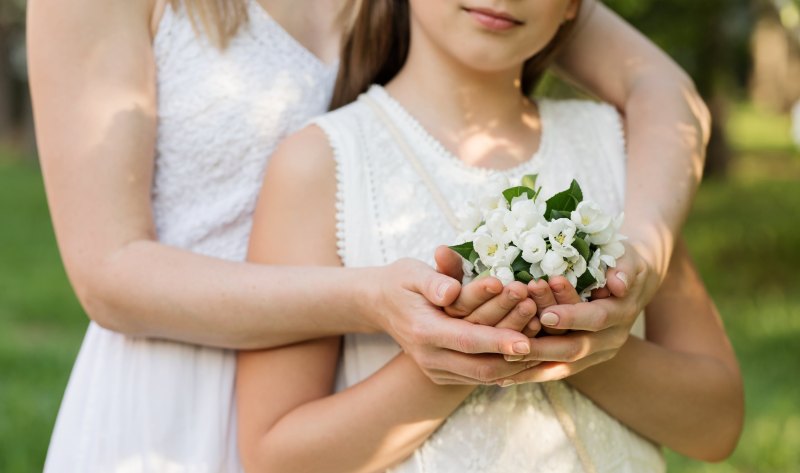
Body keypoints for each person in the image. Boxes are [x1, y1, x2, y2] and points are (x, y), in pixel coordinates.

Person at [28, 0, 711, 470]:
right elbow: (108, 271)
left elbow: (664, 90)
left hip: (357, 384)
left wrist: (638, 263)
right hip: (176, 393)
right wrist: (375, 301)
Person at [235, 0, 743, 471]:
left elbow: (717, 425)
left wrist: (579, 338)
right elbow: (273, 457)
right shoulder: (321, 165)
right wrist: (461, 350)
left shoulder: (625, 149)